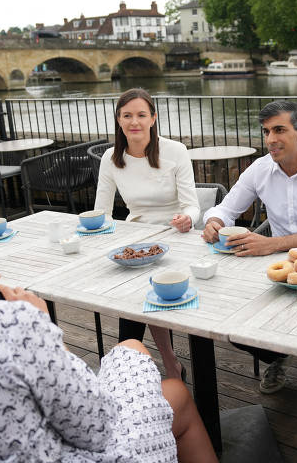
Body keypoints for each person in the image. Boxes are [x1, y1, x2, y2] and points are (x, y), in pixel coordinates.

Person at [0, 160, 218, 463]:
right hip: (80, 448)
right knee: (170, 387)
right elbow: (97, 427)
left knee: (131, 348)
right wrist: (42, 328)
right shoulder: (10, 327)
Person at [202, 100, 297, 418]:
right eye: (266, 131)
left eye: (279, 130)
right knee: (228, 321)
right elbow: (226, 209)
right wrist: (213, 222)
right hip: (273, 262)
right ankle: (277, 357)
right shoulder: (260, 169)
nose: (270, 139)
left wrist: (272, 243)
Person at [94, 88, 201, 381]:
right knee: (135, 292)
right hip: (136, 241)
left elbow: (192, 205)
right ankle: (164, 364)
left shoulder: (175, 151)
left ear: (153, 118)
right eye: (127, 115)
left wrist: (187, 219)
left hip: (176, 237)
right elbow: (102, 213)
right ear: (118, 120)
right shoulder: (111, 158)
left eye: (141, 115)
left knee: (143, 295)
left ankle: (131, 368)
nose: (134, 122)